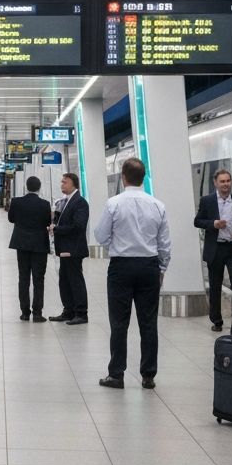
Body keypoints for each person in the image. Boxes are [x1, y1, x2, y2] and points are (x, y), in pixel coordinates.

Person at [95, 157, 171, 390]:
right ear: (144, 177)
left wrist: (115, 242)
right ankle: (148, 375)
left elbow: (100, 236)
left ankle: (116, 374)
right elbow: (164, 244)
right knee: (148, 323)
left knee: (119, 323)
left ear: (123, 177)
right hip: (148, 267)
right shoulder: (158, 205)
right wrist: (162, 268)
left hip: (121, 267)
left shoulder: (114, 204)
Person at [193, 169, 232, 334]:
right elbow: (197, 221)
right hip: (215, 248)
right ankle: (217, 320)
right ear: (216, 183)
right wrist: (213, 224)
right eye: (222, 181)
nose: (226, 184)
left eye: (228, 181)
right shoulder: (207, 201)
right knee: (215, 287)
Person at [7, 175, 52, 321]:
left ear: (26, 186)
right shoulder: (45, 204)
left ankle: (25, 312)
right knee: (39, 279)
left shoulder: (16, 202)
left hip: (22, 244)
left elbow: (11, 219)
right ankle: (37, 313)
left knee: (23, 277)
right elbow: (47, 221)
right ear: (39, 188)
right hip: (39, 245)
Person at [49, 172, 90, 325]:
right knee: (64, 281)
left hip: (73, 249)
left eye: (64, 182)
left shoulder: (80, 202)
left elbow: (79, 226)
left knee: (75, 280)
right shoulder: (65, 202)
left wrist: (57, 229)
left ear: (73, 184)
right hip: (65, 248)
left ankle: (81, 313)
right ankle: (68, 311)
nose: (62, 184)